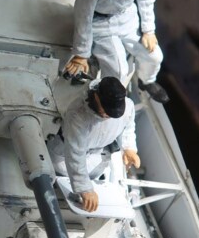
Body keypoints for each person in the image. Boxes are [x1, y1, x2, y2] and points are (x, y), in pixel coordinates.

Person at [64, 0, 169, 103]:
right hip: (102, 26)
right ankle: (104, 96)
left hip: (128, 19)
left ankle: (147, 80)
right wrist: (81, 53)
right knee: (119, 71)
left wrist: (148, 30)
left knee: (155, 57)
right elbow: (83, 16)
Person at [49, 76, 140, 213]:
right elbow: (75, 152)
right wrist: (84, 188)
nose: (108, 115)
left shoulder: (129, 106)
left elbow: (128, 127)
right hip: (64, 160)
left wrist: (129, 148)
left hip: (97, 159)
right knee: (57, 188)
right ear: (97, 96)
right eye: (106, 110)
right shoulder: (78, 114)